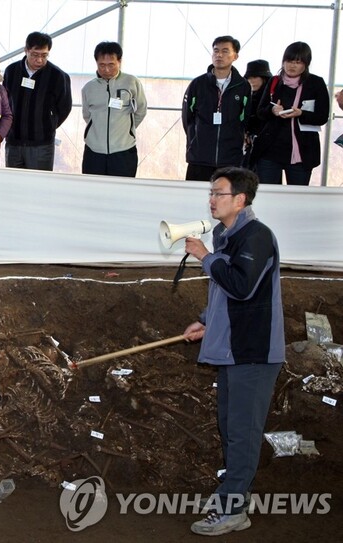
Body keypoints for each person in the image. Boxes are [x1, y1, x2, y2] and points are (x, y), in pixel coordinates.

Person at [182, 166, 284, 536]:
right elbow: (227, 294)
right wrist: (206, 320)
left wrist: (205, 257)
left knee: (242, 431)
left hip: (252, 353)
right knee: (231, 428)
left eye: (218, 193)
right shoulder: (230, 236)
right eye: (210, 193)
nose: (211, 199)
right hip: (233, 350)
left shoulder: (256, 236)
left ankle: (233, 508)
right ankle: (233, 494)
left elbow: (242, 286)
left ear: (240, 199)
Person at [253, 42, 330, 185]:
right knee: (268, 196)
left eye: (298, 62)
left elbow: (322, 116)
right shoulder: (274, 81)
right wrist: (272, 110)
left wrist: (301, 113)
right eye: (288, 61)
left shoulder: (315, 83)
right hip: (270, 151)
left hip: (302, 153)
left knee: (297, 198)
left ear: (306, 64)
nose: (292, 66)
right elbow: (260, 112)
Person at [182, 36, 251, 181]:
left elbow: (245, 118)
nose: (219, 55)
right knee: (195, 199)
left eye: (225, 51)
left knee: (227, 199)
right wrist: (194, 139)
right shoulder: (198, 84)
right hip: (199, 158)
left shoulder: (243, 86)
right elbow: (187, 117)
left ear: (235, 56)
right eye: (216, 51)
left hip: (230, 159)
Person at [3, 31, 72, 171]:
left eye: (44, 55)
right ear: (26, 50)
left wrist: (49, 124)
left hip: (41, 145)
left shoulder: (57, 76)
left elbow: (65, 107)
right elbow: (4, 102)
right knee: (14, 185)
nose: (39, 60)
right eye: (35, 54)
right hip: (14, 142)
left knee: (38, 187)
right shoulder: (11, 71)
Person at [81, 41, 147, 177]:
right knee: (93, 192)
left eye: (111, 64)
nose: (106, 70)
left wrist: (127, 131)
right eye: (102, 65)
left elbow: (140, 111)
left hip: (123, 151)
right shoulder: (88, 88)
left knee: (122, 193)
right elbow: (87, 115)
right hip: (94, 151)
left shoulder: (132, 82)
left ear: (120, 61)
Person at [242, 60, 271, 170]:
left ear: (264, 78)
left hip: (266, 150)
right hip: (249, 146)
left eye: (255, 77)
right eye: (249, 78)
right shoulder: (247, 96)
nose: (251, 81)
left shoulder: (271, 98)